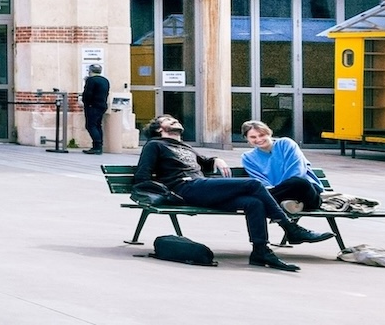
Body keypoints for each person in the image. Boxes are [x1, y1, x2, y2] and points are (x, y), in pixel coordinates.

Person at [132, 114, 331, 271]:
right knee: (253, 184)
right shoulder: (155, 145)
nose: (174, 121)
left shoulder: (185, 147)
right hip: (186, 188)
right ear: (159, 129)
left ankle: (261, 252)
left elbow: (205, 163)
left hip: (201, 187)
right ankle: (290, 228)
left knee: (254, 203)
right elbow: (142, 177)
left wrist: (216, 159)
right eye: (168, 120)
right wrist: (167, 194)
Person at [238, 119, 332, 238]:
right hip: (278, 194)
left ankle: (288, 204)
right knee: (260, 195)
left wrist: (279, 189)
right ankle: (290, 205)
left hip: (306, 193)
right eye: (253, 137)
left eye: (261, 135)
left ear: (269, 133)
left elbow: (297, 170)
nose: (258, 139)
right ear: (247, 139)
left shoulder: (286, 143)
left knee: (299, 183)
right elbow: (260, 180)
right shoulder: (248, 157)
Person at [80, 65, 111, 154]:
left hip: (92, 106)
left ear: (90, 71)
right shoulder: (105, 80)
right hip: (102, 105)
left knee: (91, 126)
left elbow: (88, 94)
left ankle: (96, 146)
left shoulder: (91, 80)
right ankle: (99, 146)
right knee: (98, 125)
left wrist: (85, 102)